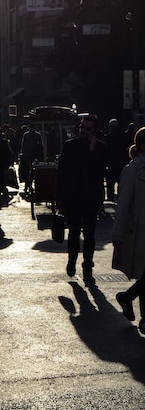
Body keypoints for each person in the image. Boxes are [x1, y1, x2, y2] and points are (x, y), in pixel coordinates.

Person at [56, 114, 107, 285]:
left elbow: (99, 172)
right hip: (73, 197)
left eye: (88, 129)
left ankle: (88, 268)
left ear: (94, 131)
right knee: (74, 232)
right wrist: (60, 197)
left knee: (90, 235)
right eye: (82, 128)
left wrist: (92, 151)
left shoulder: (100, 148)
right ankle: (72, 260)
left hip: (91, 198)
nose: (84, 131)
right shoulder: (70, 146)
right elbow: (61, 172)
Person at [112, 126, 145, 335]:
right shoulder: (133, 170)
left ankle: (128, 298)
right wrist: (118, 234)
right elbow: (122, 204)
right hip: (139, 231)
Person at [104, 118, 128, 201]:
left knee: (110, 183)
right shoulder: (123, 137)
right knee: (121, 182)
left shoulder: (107, 137)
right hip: (121, 163)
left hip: (111, 163)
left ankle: (110, 198)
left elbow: (106, 151)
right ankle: (120, 197)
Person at [19, 123, 43, 195]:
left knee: (33, 170)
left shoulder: (38, 135)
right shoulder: (26, 135)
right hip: (27, 154)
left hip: (34, 155)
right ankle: (27, 184)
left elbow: (40, 145)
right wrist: (22, 153)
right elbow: (23, 144)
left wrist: (39, 154)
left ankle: (30, 183)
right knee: (26, 170)